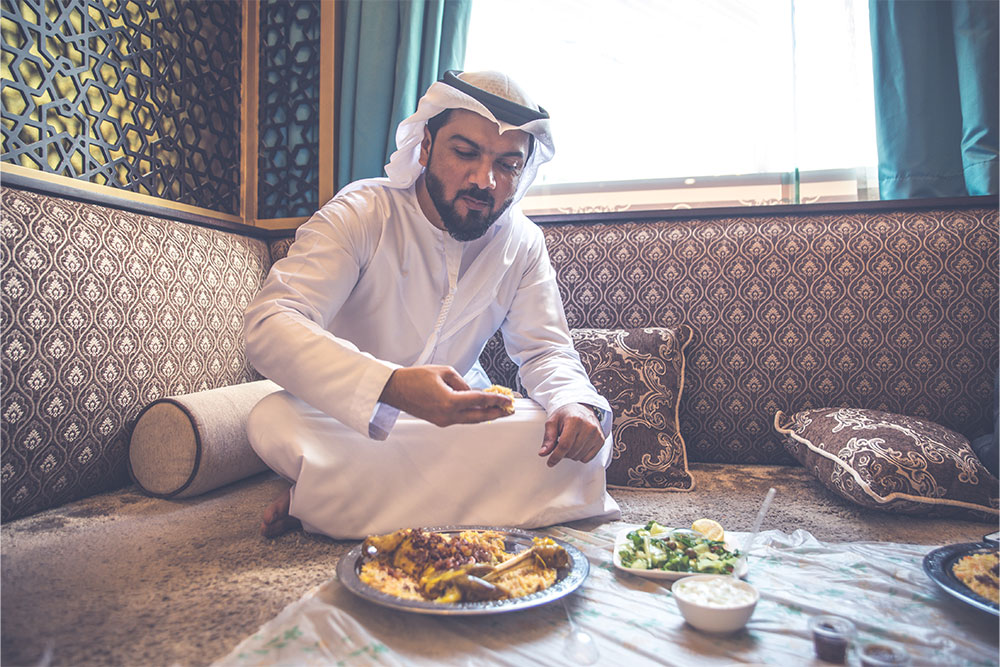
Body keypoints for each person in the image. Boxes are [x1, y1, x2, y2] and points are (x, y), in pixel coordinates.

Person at [244, 70, 620, 539]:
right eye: (465, 153)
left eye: (507, 165)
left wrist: (571, 403)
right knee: (272, 418)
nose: (485, 180)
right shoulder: (363, 212)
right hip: (347, 418)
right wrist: (392, 386)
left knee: (571, 436)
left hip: (457, 428)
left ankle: (330, 497)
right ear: (425, 146)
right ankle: (350, 491)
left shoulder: (522, 242)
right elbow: (270, 322)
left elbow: (545, 351)